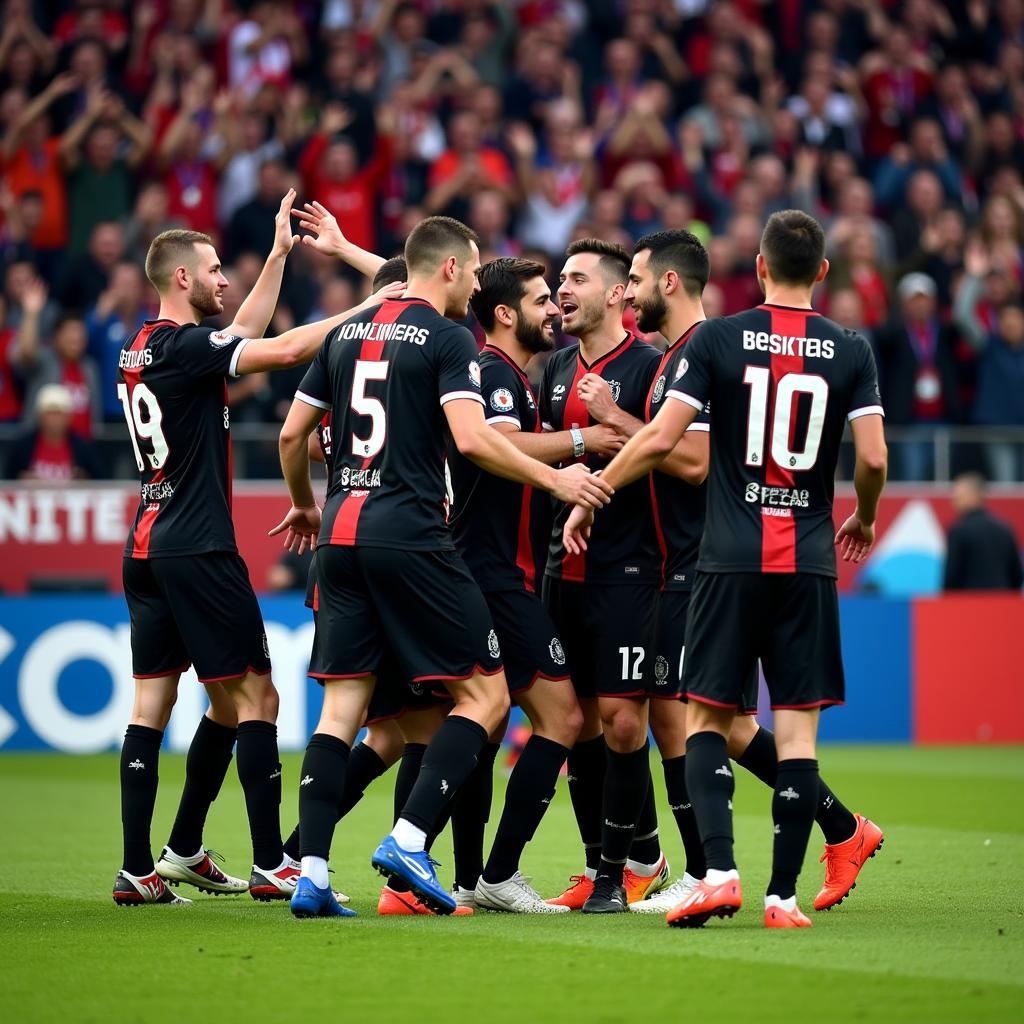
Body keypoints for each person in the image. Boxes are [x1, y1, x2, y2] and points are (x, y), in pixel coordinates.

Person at [275, 215, 613, 919]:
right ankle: (409, 842)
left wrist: (306, 506)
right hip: (414, 538)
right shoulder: (451, 340)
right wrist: (558, 477)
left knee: (356, 714)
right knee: (484, 703)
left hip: (339, 532)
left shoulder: (346, 332)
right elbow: (472, 437)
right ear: (456, 271)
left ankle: (306, 871)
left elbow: (290, 435)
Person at [564, 210, 888, 928]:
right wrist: (863, 515)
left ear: (760, 268)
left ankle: (716, 870)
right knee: (770, 729)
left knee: (708, 721)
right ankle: (795, 876)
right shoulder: (851, 347)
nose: (630, 292)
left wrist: (595, 485)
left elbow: (670, 447)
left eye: (638, 280)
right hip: (802, 558)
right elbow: (872, 457)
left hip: (716, 559)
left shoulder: (714, 342)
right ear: (825, 272)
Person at [112, 189, 404, 907]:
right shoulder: (185, 347)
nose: (223, 279)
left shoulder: (145, 347)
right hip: (198, 546)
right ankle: (276, 860)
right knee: (258, 698)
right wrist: (371, 311)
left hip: (146, 544)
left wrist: (277, 254)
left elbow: (241, 329)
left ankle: (151, 863)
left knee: (166, 705)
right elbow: (285, 347)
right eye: (213, 270)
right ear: (181, 277)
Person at [447, 256, 613, 913]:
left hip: (489, 573)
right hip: (493, 576)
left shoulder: (497, 372)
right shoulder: (495, 374)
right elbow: (497, 441)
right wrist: (581, 439)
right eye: (544, 300)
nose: (556, 310)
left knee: (476, 729)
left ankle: (461, 879)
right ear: (507, 314)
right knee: (563, 716)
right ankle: (496, 873)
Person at [533, 239, 669, 914]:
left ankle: (623, 875)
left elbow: (672, 448)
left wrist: (617, 415)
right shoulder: (554, 368)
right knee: (576, 722)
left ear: (618, 294)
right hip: (565, 570)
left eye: (578, 278)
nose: (563, 288)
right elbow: (529, 456)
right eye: (561, 277)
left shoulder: (651, 365)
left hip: (632, 567)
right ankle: (602, 867)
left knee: (621, 722)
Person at [943, 473, 1023, 591]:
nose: (954, 502)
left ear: (974, 496)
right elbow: (1017, 576)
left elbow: (951, 578)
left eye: (959, 497)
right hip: (1002, 604)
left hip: (968, 605)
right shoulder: (1005, 529)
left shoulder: (958, 531)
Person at [5, 382, 100, 480]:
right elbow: (8, 478)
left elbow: (99, 480)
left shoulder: (83, 448)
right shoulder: (22, 447)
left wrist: (83, 482)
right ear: (39, 416)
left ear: (69, 417)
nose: (54, 419)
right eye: (50, 413)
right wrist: (21, 481)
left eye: (59, 413)